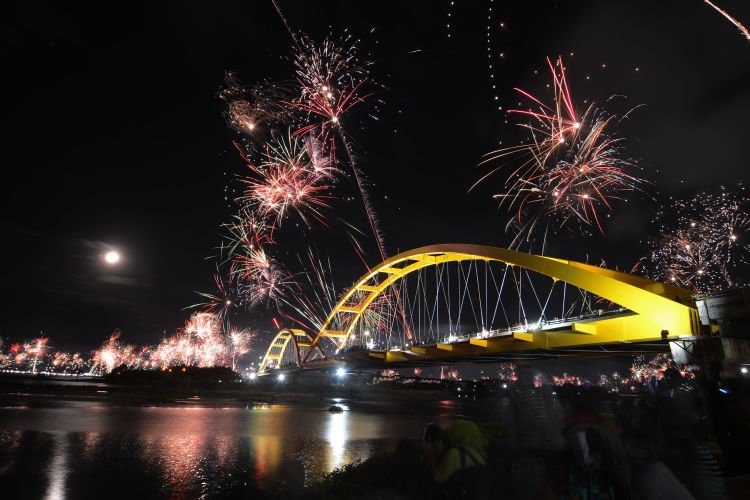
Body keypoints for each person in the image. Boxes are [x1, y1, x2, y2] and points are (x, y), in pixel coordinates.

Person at [429, 420, 491, 499]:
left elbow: (438, 478)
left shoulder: (455, 454)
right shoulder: (478, 454)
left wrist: (430, 457)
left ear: (458, 434)